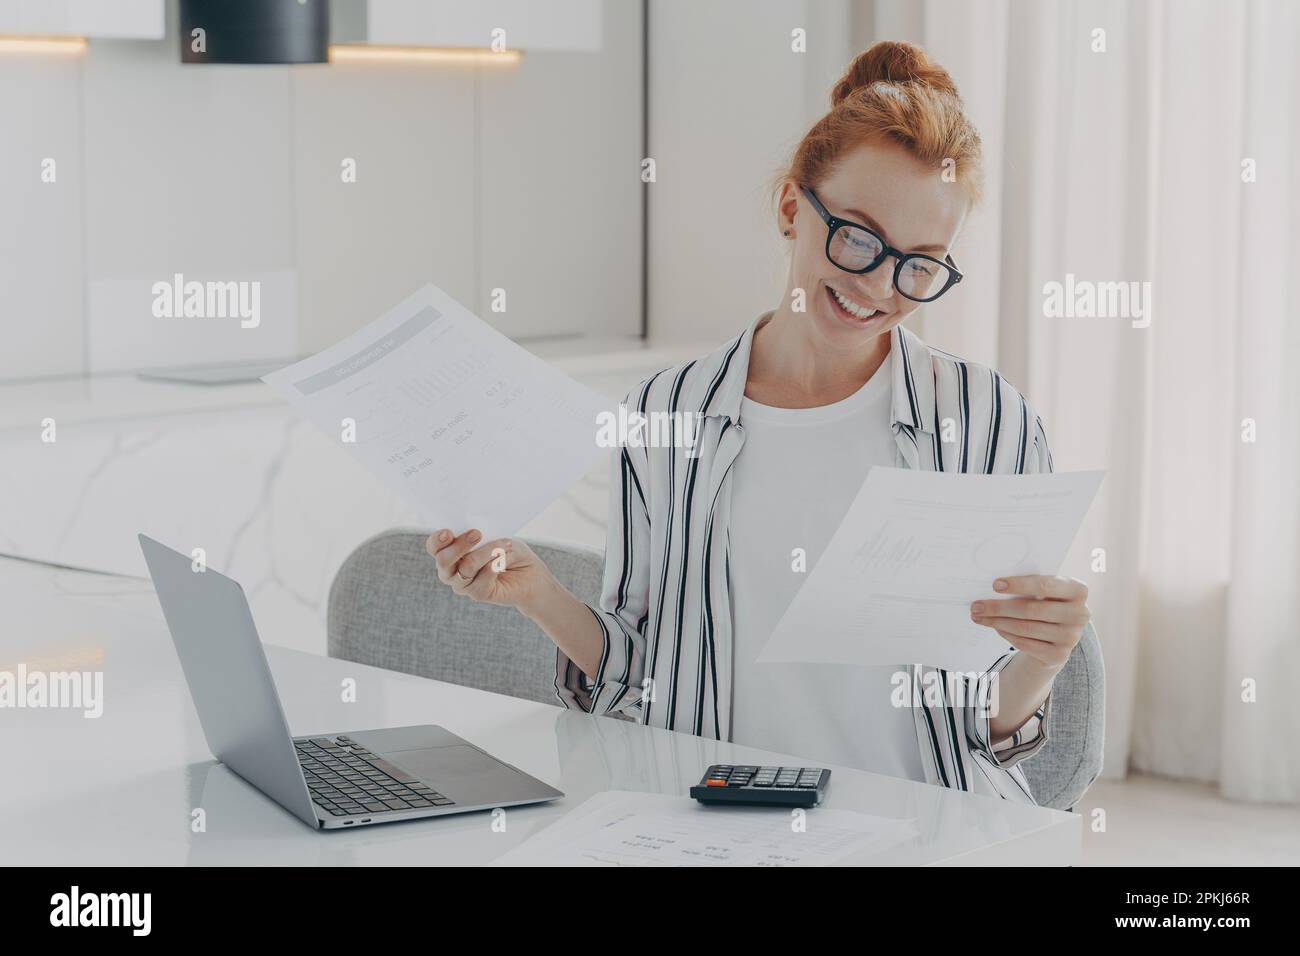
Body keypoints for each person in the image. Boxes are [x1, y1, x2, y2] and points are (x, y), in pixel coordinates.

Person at [426, 40, 1093, 804]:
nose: (878, 285)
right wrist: (538, 594)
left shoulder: (989, 422)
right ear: (790, 207)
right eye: (857, 238)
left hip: (928, 828)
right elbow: (640, 679)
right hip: (718, 820)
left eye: (919, 263)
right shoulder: (666, 413)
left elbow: (983, 733)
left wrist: (1042, 661)